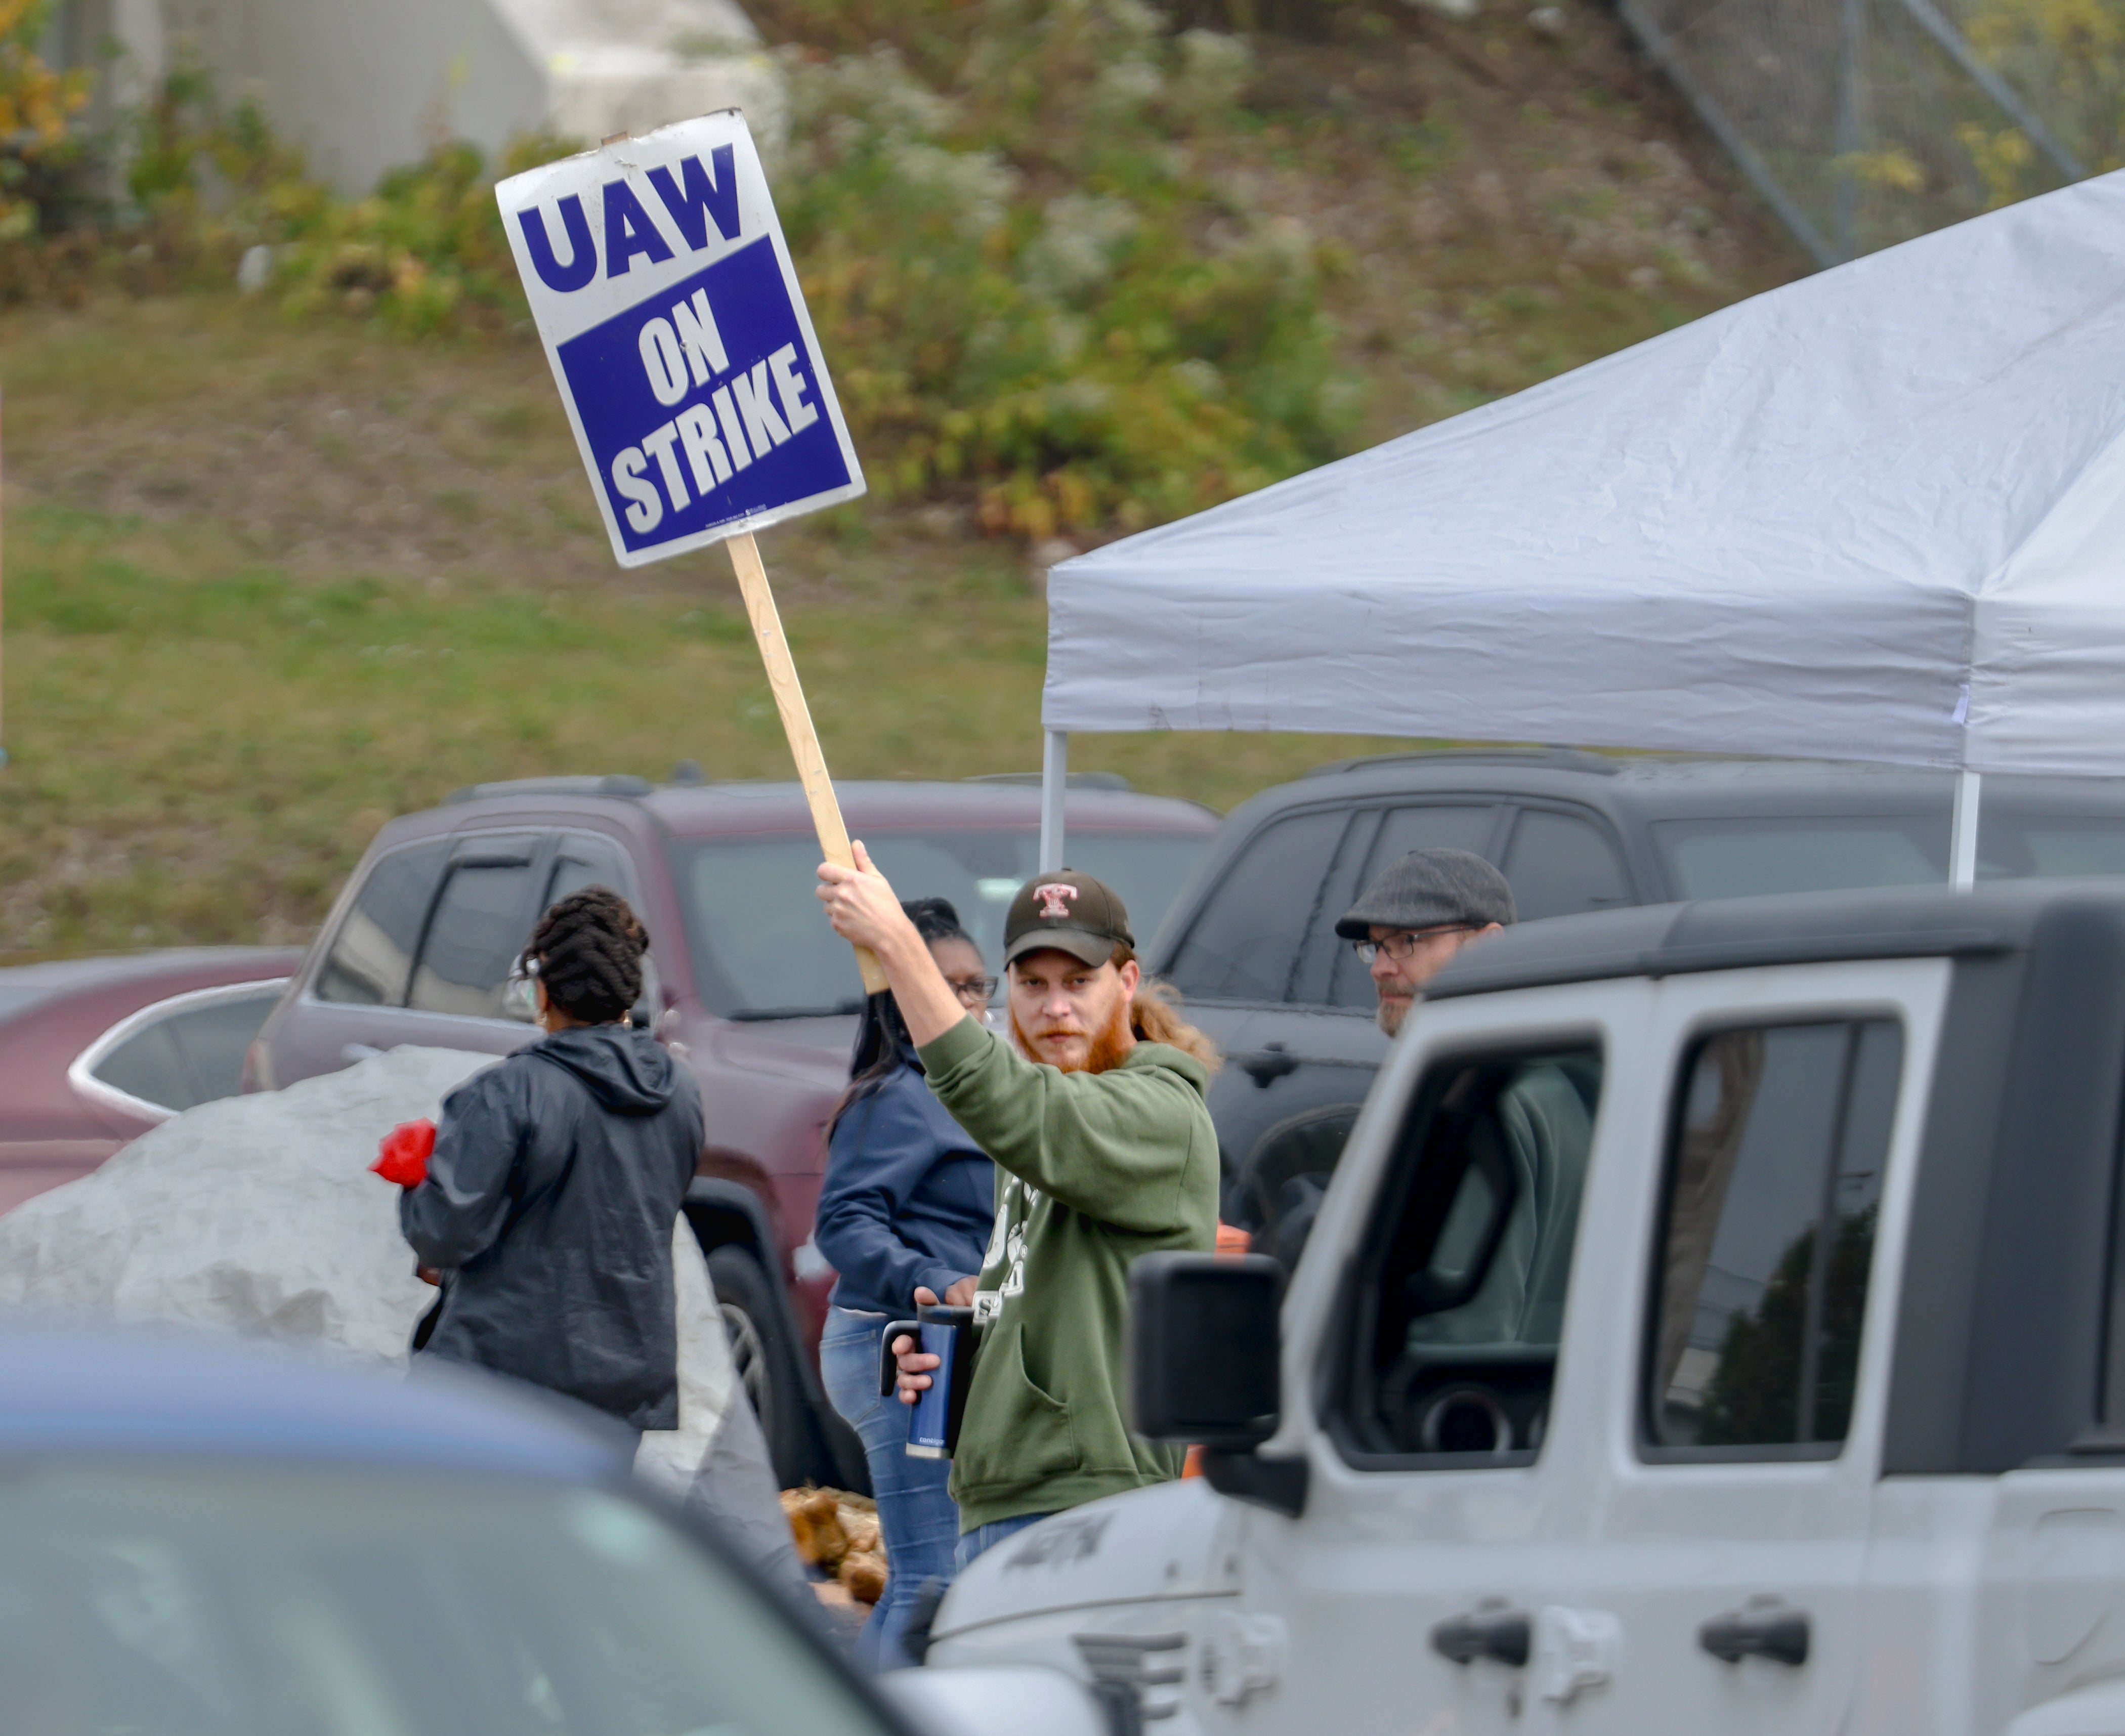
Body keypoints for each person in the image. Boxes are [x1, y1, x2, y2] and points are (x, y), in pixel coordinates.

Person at [817, 851, 1220, 1571]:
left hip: (1090, 1507)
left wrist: (897, 943)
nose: (1055, 1006)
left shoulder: (1158, 1111)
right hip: (1006, 1495)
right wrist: (970, 1363)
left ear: (1126, 983)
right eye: (1033, 983)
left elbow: (999, 1096)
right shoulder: (1057, 1103)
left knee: (921, 1619)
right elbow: (1058, 1309)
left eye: (1078, 981)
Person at [399, 887, 703, 1433]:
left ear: (542, 991)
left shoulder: (506, 1093)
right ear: (626, 990)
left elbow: (444, 1234)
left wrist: (417, 1179)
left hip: (499, 1385)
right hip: (623, 1386)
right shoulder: (678, 1091)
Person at [814, 897, 998, 1669]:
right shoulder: (899, 1094)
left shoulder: (980, 1086)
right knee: (932, 1577)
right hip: (896, 1345)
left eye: (977, 984)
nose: (966, 1000)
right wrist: (933, 1278)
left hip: (947, 1346)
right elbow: (844, 1224)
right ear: (901, 989)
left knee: (934, 1575)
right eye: (945, 982)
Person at [1334, 846, 1516, 1037]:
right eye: (1375, 946)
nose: (1378, 969)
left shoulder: (1536, 1056)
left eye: (1405, 941)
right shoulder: (1433, 1062)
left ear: (1488, 947)